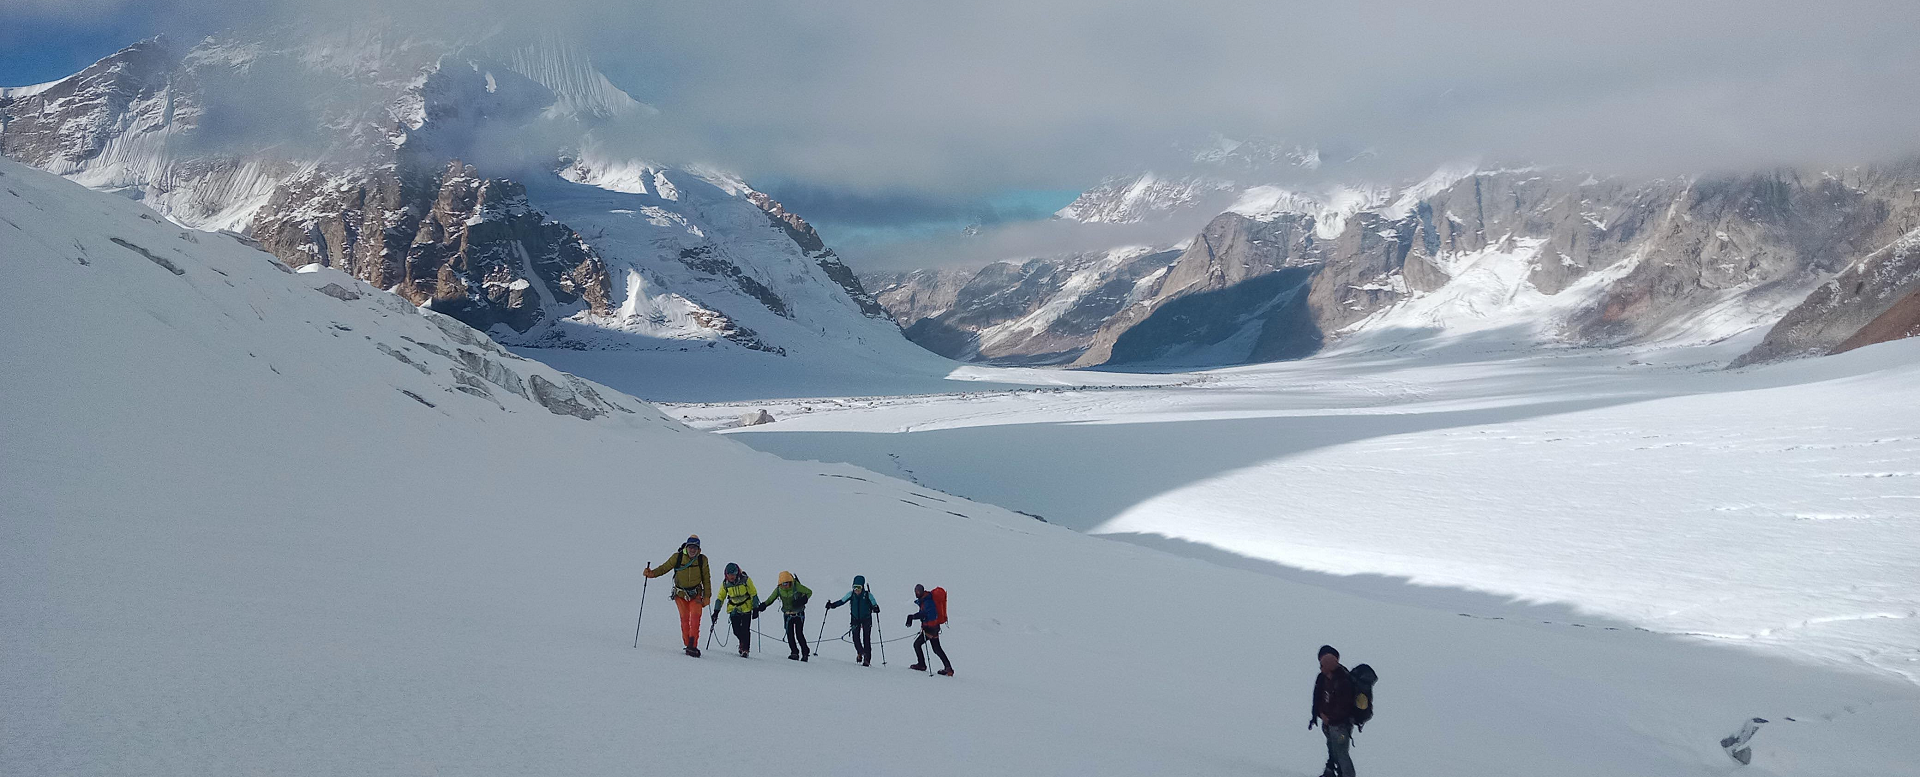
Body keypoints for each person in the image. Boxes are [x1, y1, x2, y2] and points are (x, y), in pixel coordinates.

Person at [642, 535, 711, 657]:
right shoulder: (677, 557)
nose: (692, 550)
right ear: (686, 547)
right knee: (685, 620)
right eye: (691, 547)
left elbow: (706, 578)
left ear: (699, 549)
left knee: (695, 619)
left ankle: (692, 646)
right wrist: (651, 574)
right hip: (680, 595)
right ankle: (688, 644)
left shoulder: (702, 560)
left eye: (695, 547)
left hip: (696, 595)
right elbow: (664, 568)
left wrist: (707, 596)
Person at [1309, 645, 1357, 777]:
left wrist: (1330, 719)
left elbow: (1345, 706)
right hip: (1329, 724)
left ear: (1329, 665)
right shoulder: (1322, 678)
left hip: (1340, 725)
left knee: (1341, 753)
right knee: (1332, 750)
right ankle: (1330, 773)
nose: (1320, 668)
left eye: (1322, 665)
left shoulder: (1343, 681)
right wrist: (1318, 715)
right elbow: (1317, 697)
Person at [756, 571, 814, 661]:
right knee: (789, 634)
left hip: (799, 614)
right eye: (783, 583)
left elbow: (809, 592)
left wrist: (802, 601)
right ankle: (794, 652)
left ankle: (805, 652)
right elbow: (771, 599)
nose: (785, 585)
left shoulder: (796, 586)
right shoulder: (779, 590)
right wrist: (763, 605)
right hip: (787, 615)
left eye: (787, 583)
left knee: (799, 634)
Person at [823, 575, 880, 666]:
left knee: (866, 639)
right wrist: (832, 605)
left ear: (862, 587)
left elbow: (874, 605)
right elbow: (841, 601)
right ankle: (861, 652)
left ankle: (867, 659)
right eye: (854, 587)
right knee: (855, 638)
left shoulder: (868, 595)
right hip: (855, 619)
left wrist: (876, 608)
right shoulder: (851, 594)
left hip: (866, 619)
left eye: (859, 587)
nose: (856, 590)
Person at [711, 563, 760, 658]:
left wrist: (755, 609)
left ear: (737, 573)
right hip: (734, 609)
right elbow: (720, 597)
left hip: (746, 608)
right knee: (736, 630)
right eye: (729, 574)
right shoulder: (725, 584)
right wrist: (716, 611)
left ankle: (745, 649)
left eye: (733, 574)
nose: (731, 576)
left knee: (745, 629)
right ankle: (742, 643)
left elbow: (753, 594)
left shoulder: (745, 580)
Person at [904, 584, 952, 676]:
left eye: (917, 591)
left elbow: (927, 614)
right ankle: (948, 668)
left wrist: (913, 617)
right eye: (915, 591)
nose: (916, 593)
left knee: (917, 644)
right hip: (934, 628)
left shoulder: (927, 601)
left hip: (930, 628)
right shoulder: (926, 599)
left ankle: (922, 665)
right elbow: (925, 613)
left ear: (921, 591)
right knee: (937, 649)